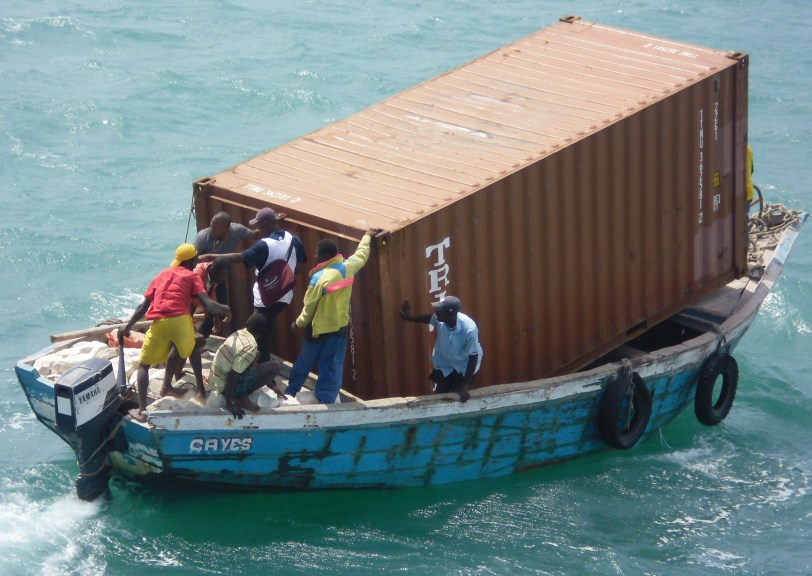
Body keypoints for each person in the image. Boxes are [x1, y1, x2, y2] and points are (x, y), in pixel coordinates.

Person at [122, 243, 231, 422]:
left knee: (144, 365)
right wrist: (226, 309)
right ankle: (200, 391)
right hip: (180, 320)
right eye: (195, 258)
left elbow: (144, 306)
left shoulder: (161, 274)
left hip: (159, 322)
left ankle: (142, 411)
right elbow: (209, 304)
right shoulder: (193, 276)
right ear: (192, 260)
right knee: (193, 346)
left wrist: (128, 326)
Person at [285, 229, 382, 404]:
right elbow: (361, 255)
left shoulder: (319, 279)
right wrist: (367, 236)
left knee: (304, 362)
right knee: (331, 366)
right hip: (338, 329)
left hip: (316, 331)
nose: (314, 256)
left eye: (317, 252)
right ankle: (326, 399)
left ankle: (290, 393)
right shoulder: (348, 267)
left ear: (326, 255)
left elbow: (309, 309)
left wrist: (297, 324)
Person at [207, 207, 307, 362]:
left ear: (266, 224)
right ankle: (264, 365)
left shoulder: (264, 245)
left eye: (259, 225)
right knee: (263, 329)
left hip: (265, 297)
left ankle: (262, 370)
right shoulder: (294, 240)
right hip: (284, 296)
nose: (258, 229)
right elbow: (298, 269)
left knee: (255, 330)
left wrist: (209, 256)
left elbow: (239, 257)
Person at [399, 295, 482, 403]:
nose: (436, 312)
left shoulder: (469, 329)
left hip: (464, 367)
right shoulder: (440, 319)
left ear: (450, 314)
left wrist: (465, 385)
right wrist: (409, 318)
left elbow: (473, 356)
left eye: (439, 310)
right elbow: (428, 318)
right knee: (440, 397)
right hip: (446, 365)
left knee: (460, 399)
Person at [165, 256, 232, 387]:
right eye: (222, 276)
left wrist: (216, 318)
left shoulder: (214, 275)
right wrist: (193, 332)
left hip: (192, 302)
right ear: (212, 269)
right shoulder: (196, 276)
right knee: (183, 343)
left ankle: (180, 373)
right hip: (178, 306)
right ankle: (170, 381)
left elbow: (210, 297)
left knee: (190, 343)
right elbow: (186, 308)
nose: (223, 279)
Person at [207, 314, 286, 419]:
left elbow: (250, 363)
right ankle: (241, 397)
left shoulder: (238, 334)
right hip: (225, 386)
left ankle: (238, 394)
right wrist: (229, 404)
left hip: (217, 380)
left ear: (247, 324)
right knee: (275, 366)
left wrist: (272, 386)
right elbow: (233, 375)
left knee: (256, 354)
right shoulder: (251, 346)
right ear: (263, 332)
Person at [193, 211, 258, 316]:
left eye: (214, 228)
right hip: (204, 275)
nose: (211, 230)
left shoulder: (237, 231)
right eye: (211, 226)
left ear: (226, 229)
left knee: (220, 303)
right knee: (201, 303)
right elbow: (192, 259)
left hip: (219, 276)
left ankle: (215, 325)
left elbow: (255, 234)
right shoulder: (202, 238)